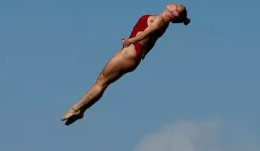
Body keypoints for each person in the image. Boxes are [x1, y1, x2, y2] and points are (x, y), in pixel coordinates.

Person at [60, 4, 190, 125]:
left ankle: (76, 109)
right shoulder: (163, 24)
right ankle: (81, 110)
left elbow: (148, 32)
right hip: (134, 54)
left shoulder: (160, 20)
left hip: (131, 52)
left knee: (101, 81)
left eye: (177, 6)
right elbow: (152, 41)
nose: (174, 3)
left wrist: (130, 41)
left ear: (174, 13)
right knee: (103, 82)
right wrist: (144, 52)